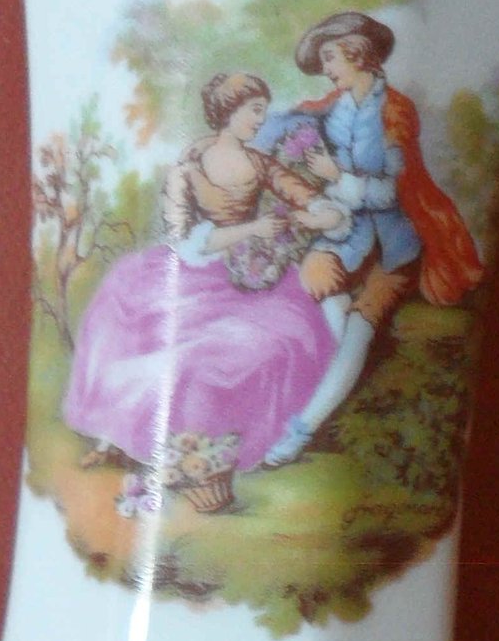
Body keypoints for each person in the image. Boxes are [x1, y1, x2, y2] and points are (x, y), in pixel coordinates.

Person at [61, 71, 341, 510]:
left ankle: (206, 454)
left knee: (264, 344)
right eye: (254, 111)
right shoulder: (191, 165)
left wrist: (322, 212)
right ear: (229, 111)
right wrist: (252, 229)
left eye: (263, 112)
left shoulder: (260, 163)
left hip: (251, 274)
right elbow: (180, 235)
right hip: (194, 266)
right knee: (132, 322)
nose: (259, 120)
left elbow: (305, 196)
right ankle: (118, 437)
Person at [252, 11, 485, 464]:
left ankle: (301, 430)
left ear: (357, 54)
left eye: (331, 57)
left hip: (395, 243)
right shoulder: (335, 107)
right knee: (315, 275)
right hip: (348, 233)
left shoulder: (396, 112)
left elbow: (391, 191)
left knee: (360, 326)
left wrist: (336, 176)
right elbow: (290, 121)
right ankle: (342, 377)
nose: (327, 69)